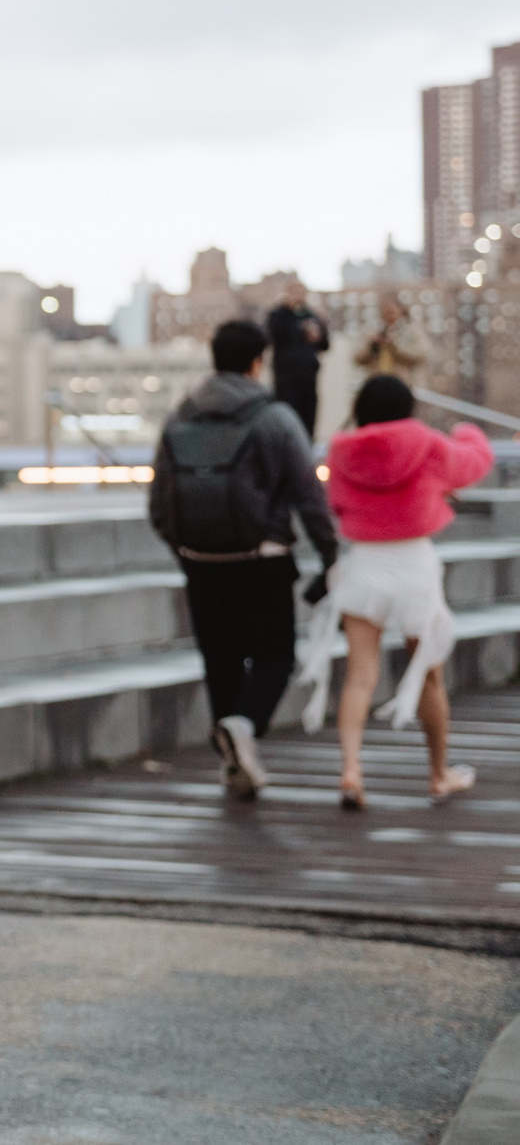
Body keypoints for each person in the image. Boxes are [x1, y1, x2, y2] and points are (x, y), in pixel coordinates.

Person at [148, 318, 338, 799]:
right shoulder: (274, 417)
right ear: (259, 362)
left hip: (200, 560)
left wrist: (184, 549)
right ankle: (244, 726)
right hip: (263, 558)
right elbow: (307, 493)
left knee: (220, 660)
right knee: (274, 657)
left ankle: (233, 763)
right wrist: (330, 552)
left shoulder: (180, 417)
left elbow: (158, 502)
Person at [299, 373, 490, 809]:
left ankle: (351, 771)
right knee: (428, 673)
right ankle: (439, 775)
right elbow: (471, 465)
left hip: (365, 565)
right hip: (413, 565)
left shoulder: (342, 451)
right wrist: (468, 432)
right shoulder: (425, 442)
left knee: (360, 675)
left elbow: (336, 506)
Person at [265, 279, 331, 437]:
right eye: (294, 292)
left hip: (308, 377)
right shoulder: (278, 315)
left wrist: (318, 334)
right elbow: (273, 336)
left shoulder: (312, 316)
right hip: (286, 379)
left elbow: (325, 345)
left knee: (308, 421)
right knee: (286, 420)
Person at [353, 294, 429, 382]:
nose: (388, 313)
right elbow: (357, 358)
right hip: (376, 384)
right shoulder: (371, 330)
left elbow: (421, 355)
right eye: (385, 310)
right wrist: (373, 347)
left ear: (401, 310)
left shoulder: (413, 331)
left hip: (403, 384)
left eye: (391, 310)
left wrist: (394, 347)